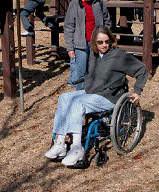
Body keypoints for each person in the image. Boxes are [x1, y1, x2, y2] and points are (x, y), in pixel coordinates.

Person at [45, 26, 147, 166]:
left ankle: (77, 148)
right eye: (100, 42)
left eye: (107, 41)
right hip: (93, 92)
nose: (104, 45)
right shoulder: (93, 54)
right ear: (94, 42)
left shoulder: (119, 55)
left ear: (111, 41)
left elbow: (141, 69)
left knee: (77, 103)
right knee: (64, 98)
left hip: (110, 96)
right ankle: (60, 143)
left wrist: (137, 90)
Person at [64, 0, 111, 90]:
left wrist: (106, 39)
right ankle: (80, 95)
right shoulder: (74, 5)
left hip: (96, 43)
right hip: (80, 45)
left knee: (94, 71)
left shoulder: (100, 3)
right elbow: (69, 27)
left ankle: (92, 94)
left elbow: (107, 22)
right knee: (80, 73)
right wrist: (70, 47)